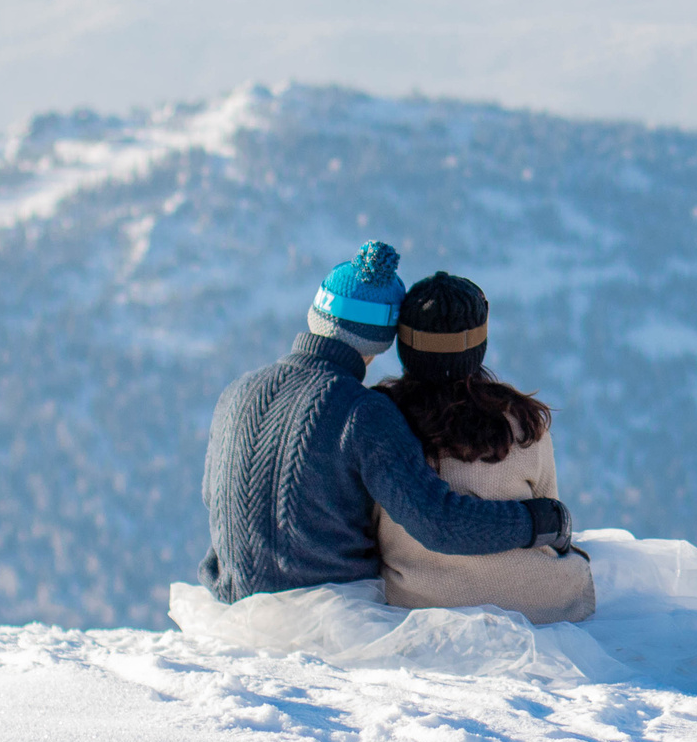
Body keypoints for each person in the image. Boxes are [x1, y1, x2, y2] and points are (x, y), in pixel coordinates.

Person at [197, 241, 576, 604]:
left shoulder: (236, 391)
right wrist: (537, 521)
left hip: (234, 604)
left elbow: (215, 501)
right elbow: (439, 523)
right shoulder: (361, 411)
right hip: (326, 616)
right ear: (384, 339)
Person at [371, 271, 595, 624]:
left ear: (403, 345)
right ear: (479, 346)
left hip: (423, 606)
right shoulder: (522, 421)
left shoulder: (379, 421)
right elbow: (548, 511)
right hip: (540, 604)